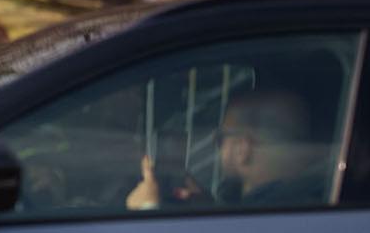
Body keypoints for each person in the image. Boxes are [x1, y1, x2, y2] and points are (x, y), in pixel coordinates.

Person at [126, 88, 329, 210]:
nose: (217, 147)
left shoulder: (264, 212)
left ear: (243, 148)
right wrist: (210, 208)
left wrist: (147, 207)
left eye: (220, 138)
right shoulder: (305, 200)